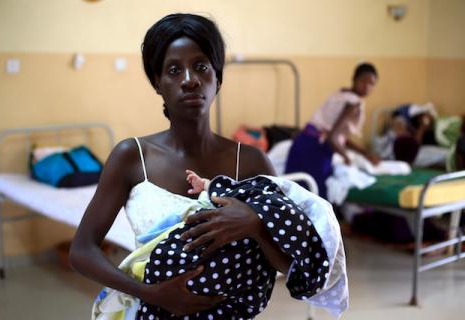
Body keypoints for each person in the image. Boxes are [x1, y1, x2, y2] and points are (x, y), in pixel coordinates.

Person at [70, 13, 347, 320]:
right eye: (174, 70)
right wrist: (154, 294)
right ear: (157, 84)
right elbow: (82, 250)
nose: (189, 79)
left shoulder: (252, 162)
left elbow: (289, 264)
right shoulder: (133, 157)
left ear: (218, 78)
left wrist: (254, 224)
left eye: (201, 66)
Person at [285, 63, 379, 198]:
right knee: (315, 197)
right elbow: (332, 139)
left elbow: (339, 137)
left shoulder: (341, 93)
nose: (367, 87)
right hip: (315, 150)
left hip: (304, 142)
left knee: (294, 194)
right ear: (354, 78)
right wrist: (347, 159)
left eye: (372, 84)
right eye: (363, 81)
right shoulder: (352, 105)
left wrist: (365, 153)